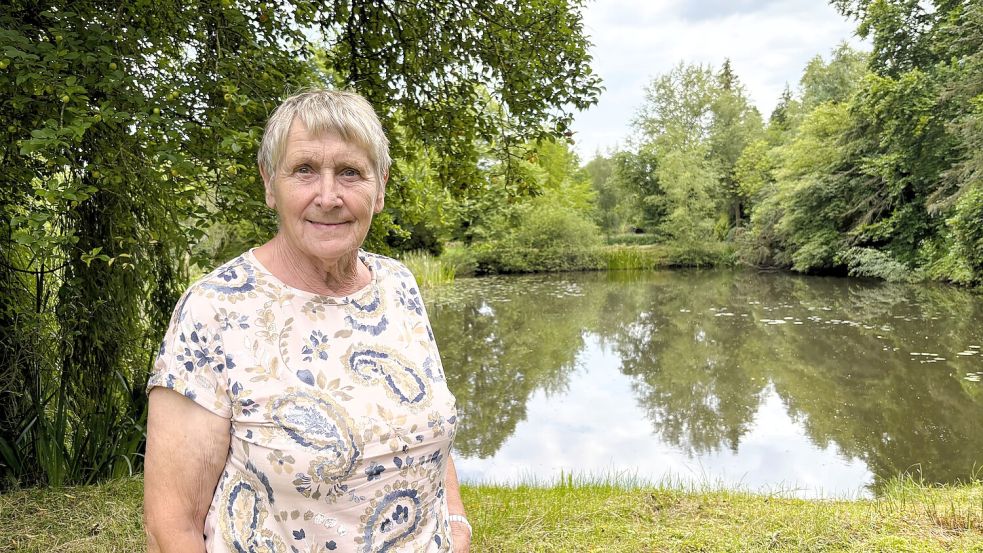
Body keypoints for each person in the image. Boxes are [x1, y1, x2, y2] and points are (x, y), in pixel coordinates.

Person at [144, 89, 471, 553]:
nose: (328, 196)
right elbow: (170, 525)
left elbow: (429, 421)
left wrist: (456, 524)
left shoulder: (398, 285)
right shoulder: (214, 308)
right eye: (304, 170)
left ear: (380, 187)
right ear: (268, 183)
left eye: (351, 173)